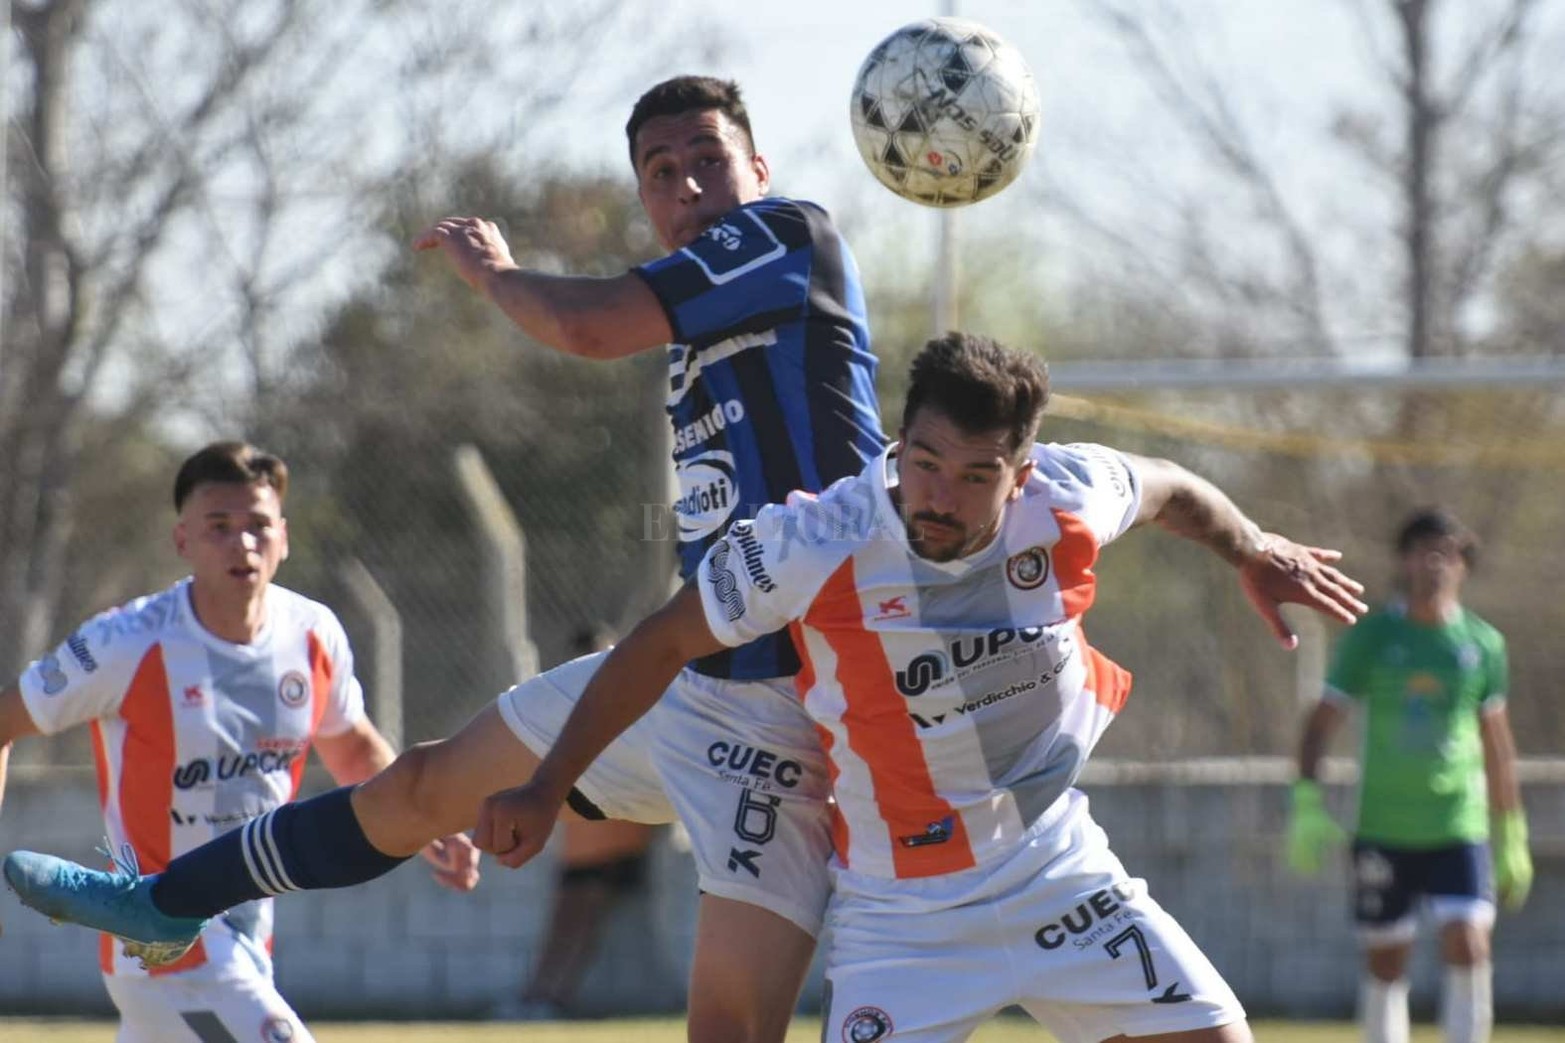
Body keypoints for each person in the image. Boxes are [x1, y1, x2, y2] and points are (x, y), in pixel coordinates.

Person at [6, 76, 884, 1043]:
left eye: (708, 159)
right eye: (660, 171)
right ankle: (164, 901)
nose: (685, 185)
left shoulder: (786, 235)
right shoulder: (697, 333)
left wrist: (496, 274)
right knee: (426, 785)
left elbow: (586, 326)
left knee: (727, 1030)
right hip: (694, 676)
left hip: (800, 704)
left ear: (756, 169)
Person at [464, 332, 1371, 1043]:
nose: (940, 494)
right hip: (902, 916)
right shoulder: (816, 540)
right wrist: (548, 786)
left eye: (975, 476)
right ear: (899, 443)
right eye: (926, 462)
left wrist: (1252, 547)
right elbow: (659, 642)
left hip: (1058, 874)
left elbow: (1169, 488)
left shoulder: (1066, 498)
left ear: (1019, 472)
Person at [0, 441, 479, 1043]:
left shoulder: (313, 633)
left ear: (284, 536)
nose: (242, 544)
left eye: (257, 526)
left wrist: (423, 821)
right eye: (219, 527)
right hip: (163, 944)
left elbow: (352, 746)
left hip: (247, 937)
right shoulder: (126, 642)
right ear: (183, 541)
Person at [1285, 507, 1532, 1043]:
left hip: (1457, 825)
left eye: (1448, 552)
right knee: (1386, 960)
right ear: (1404, 560)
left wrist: (1510, 830)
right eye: (1425, 550)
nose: (1437, 563)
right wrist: (1306, 803)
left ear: (1463, 564)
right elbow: (1320, 725)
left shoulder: (1481, 644)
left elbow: (1498, 744)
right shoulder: (1373, 638)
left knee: (1469, 941)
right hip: (1383, 827)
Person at [493, 626, 663, 1021]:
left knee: (577, 925)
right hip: (579, 851)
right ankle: (539, 995)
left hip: (615, 848)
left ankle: (550, 997)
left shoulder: (632, 704)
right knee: (564, 926)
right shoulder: (565, 711)